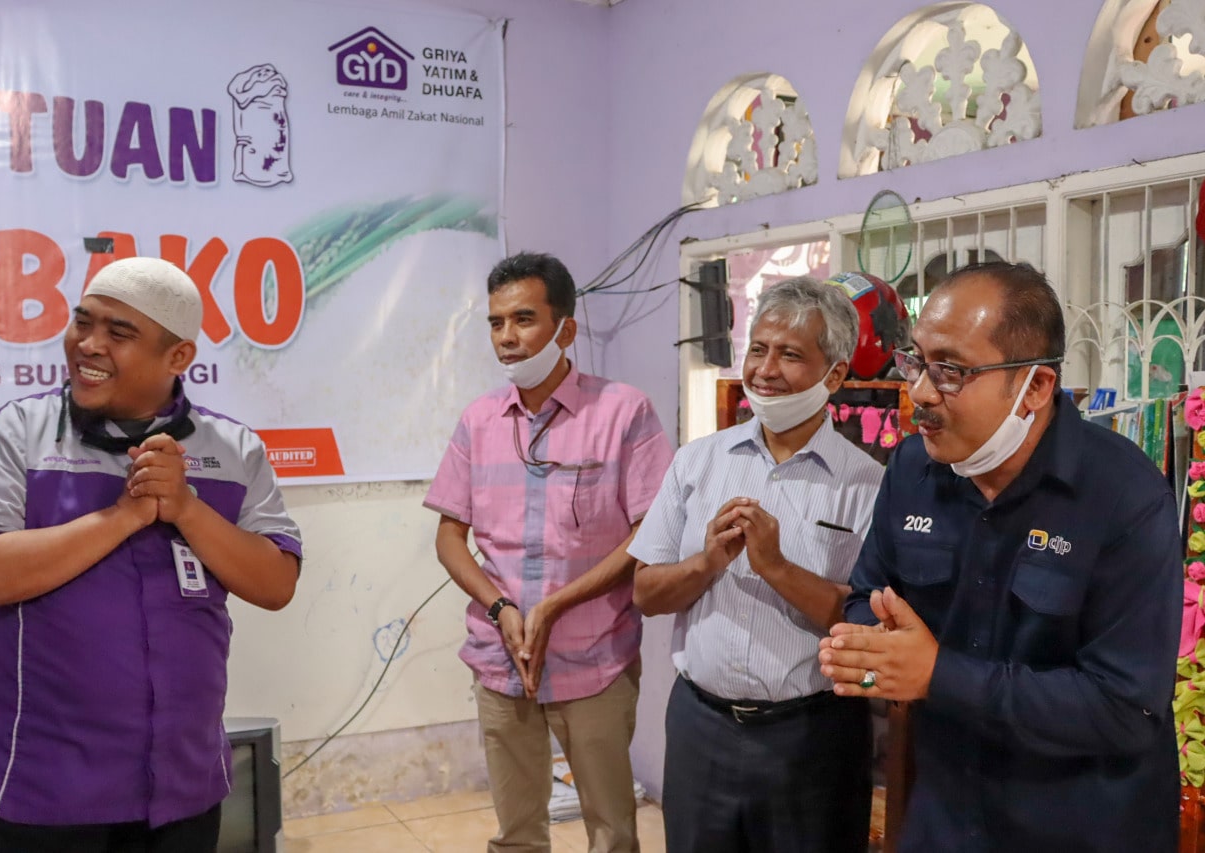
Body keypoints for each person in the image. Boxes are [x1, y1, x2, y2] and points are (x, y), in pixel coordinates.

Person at [0, 257, 302, 853]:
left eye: (119, 332)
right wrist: (123, 516)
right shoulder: (18, 432)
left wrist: (186, 508)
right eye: (83, 322)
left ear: (178, 357)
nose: (88, 344)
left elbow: (276, 583)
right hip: (33, 791)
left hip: (182, 792)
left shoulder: (235, 450)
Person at [819, 261, 1181, 852]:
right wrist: (875, 655)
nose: (920, 391)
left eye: (951, 371)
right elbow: (867, 595)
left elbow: (1125, 709)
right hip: (946, 817)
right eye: (916, 361)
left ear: (1034, 387)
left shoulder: (1124, 497)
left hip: (1080, 829)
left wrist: (937, 674)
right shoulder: (912, 469)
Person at [425, 251, 673, 853]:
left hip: (596, 659)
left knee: (612, 833)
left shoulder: (623, 411)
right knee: (517, 835)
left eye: (524, 319)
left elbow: (651, 533)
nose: (507, 337)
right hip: (500, 658)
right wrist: (500, 608)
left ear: (565, 329)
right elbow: (449, 537)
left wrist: (556, 605)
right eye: (496, 323)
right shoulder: (479, 420)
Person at [628, 276, 882, 853]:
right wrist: (708, 561)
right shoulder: (697, 461)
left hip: (812, 737)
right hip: (701, 728)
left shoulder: (868, 484)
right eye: (758, 349)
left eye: (790, 354)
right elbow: (646, 594)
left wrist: (775, 567)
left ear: (834, 375)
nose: (766, 370)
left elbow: (867, 626)